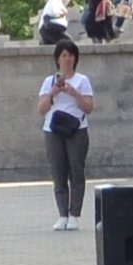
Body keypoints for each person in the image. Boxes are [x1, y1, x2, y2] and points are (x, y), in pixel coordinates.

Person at [38, 37, 94, 224]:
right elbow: (41, 108)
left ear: (75, 59)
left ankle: (74, 215)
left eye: (70, 55)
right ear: (57, 59)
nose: (67, 59)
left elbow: (88, 107)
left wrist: (74, 92)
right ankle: (62, 214)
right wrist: (54, 91)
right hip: (53, 130)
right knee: (58, 171)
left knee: (76, 170)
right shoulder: (48, 81)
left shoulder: (82, 80)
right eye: (63, 55)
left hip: (76, 129)